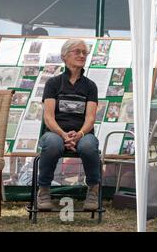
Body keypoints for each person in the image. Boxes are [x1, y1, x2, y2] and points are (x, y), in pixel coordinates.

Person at [38, 38, 100, 211]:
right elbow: (48, 117)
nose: (81, 55)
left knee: (89, 146)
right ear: (65, 56)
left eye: (84, 52)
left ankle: (93, 190)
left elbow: (90, 118)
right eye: (77, 51)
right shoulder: (53, 83)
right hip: (55, 133)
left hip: (82, 134)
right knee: (51, 144)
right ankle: (43, 190)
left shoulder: (90, 86)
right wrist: (63, 135)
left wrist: (79, 134)